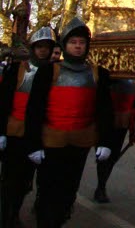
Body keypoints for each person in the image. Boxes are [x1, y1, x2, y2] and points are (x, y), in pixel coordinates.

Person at [23, 18, 114, 227]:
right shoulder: (49, 71)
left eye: (81, 42)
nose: (78, 46)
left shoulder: (97, 74)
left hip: (79, 143)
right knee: (48, 189)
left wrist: (105, 141)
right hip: (51, 142)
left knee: (69, 189)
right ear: (65, 45)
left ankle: (60, 217)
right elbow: (35, 109)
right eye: (73, 42)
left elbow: (104, 111)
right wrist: (33, 144)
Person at [0, 26, 56, 228]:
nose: (42, 50)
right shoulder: (17, 69)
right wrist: (1, 131)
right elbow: (4, 101)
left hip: (38, 136)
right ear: (33, 47)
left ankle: (14, 212)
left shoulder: (54, 72)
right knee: (10, 180)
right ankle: (7, 216)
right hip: (15, 132)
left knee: (25, 182)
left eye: (46, 47)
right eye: (39, 46)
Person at [93, 76, 135, 203]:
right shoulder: (109, 73)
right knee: (103, 155)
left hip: (123, 120)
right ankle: (101, 186)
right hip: (105, 120)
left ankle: (102, 184)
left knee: (114, 155)